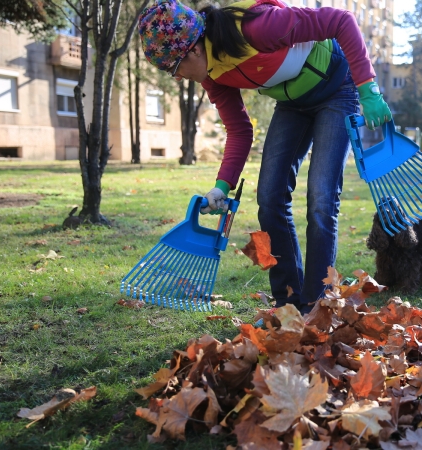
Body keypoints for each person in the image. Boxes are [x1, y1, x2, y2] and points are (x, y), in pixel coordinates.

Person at [138, 0, 392, 314]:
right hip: (292, 103)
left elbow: (340, 20)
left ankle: (318, 304)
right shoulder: (212, 76)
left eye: (173, 68)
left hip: (337, 89)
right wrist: (221, 186)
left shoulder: (256, 27)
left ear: (193, 50)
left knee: (322, 198)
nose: (176, 77)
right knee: (269, 198)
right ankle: (288, 302)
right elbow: (239, 129)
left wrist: (369, 89)